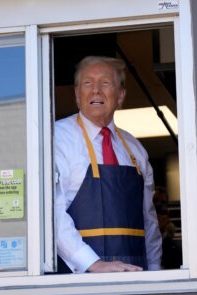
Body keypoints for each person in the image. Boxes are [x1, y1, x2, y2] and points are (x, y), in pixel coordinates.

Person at [54, 56, 162, 273]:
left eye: (105, 83)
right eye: (87, 83)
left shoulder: (135, 149)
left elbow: (148, 221)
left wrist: (155, 271)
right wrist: (92, 264)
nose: (96, 90)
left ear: (120, 95)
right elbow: (52, 214)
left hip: (135, 279)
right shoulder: (56, 138)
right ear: (77, 94)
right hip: (76, 281)